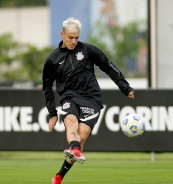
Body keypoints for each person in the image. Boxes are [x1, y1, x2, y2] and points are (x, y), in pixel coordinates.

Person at [42, 17, 134, 184]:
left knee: (81, 136)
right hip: (69, 97)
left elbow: (107, 65)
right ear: (62, 34)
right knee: (70, 122)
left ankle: (59, 175)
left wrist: (125, 87)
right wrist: (52, 113)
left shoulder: (88, 50)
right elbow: (47, 87)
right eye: (70, 37)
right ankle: (74, 150)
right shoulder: (52, 60)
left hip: (91, 98)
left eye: (76, 37)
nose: (73, 41)